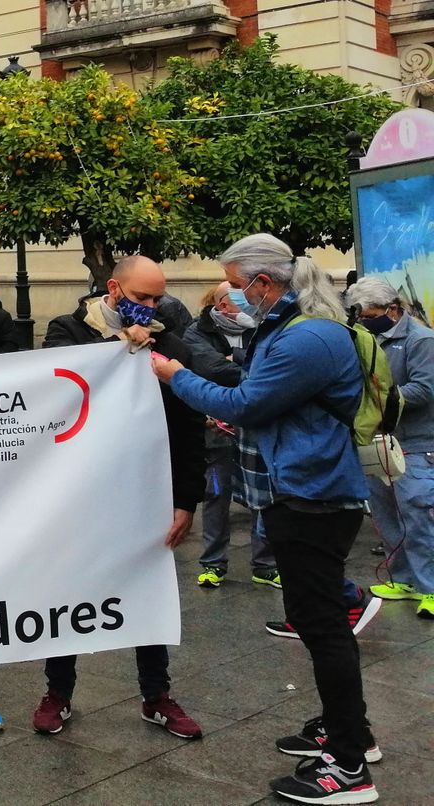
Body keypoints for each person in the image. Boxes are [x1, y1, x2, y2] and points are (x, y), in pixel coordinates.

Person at [156, 234, 383, 803]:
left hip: (311, 496)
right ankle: (348, 730)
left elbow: (243, 403)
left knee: (321, 625)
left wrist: (173, 373)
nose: (234, 295)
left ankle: (350, 767)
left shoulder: (307, 337)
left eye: (237, 285)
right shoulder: (293, 327)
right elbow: (257, 392)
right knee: (319, 620)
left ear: (263, 282)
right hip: (302, 490)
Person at [39, 255, 204, 741]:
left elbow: (188, 427)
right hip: (79, 490)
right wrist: (119, 349)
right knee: (67, 591)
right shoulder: (68, 329)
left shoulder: (170, 344)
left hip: (144, 490)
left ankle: (157, 695)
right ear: (113, 289)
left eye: (157, 298)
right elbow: (55, 385)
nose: (150, 306)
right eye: (140, 297)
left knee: (148, 591)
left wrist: (185, 500)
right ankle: (57, 693)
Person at [346, 277, 434, 620]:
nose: (364, 321)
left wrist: (379, 401)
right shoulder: (367, 338)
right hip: (379, 442)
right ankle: (404, 579)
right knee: (386, 516)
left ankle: (430, 588)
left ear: (392, 309)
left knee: (419, 517)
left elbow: (424, 389)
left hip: (416, 444)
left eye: (369, 316)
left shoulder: (421, 340)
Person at [181, 282, 275, 589]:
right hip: (217, 430)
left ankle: (265, 565)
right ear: (223, 305)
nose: (251, 305)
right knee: (216, 494)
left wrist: (235, 357)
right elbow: (213, 370)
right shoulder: (197, 332)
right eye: (242, 300)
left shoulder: (262, 327)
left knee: (262, 494)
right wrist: (247, 367)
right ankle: (213, 563)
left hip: (254, 425)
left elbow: (271, 368)